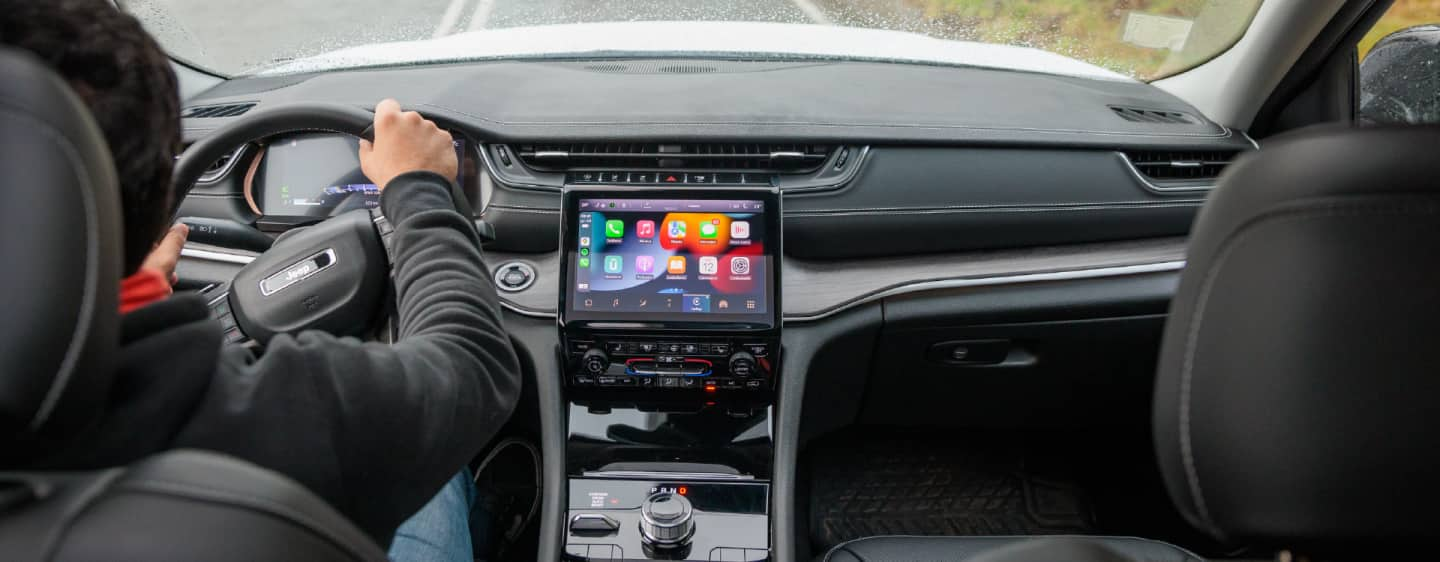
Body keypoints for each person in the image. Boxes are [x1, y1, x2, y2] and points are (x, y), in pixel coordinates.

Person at [0, 1, 519, 559]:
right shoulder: (279, 419)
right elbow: (473, 365)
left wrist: (120, 293)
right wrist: (419, 187)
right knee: (432, 474)